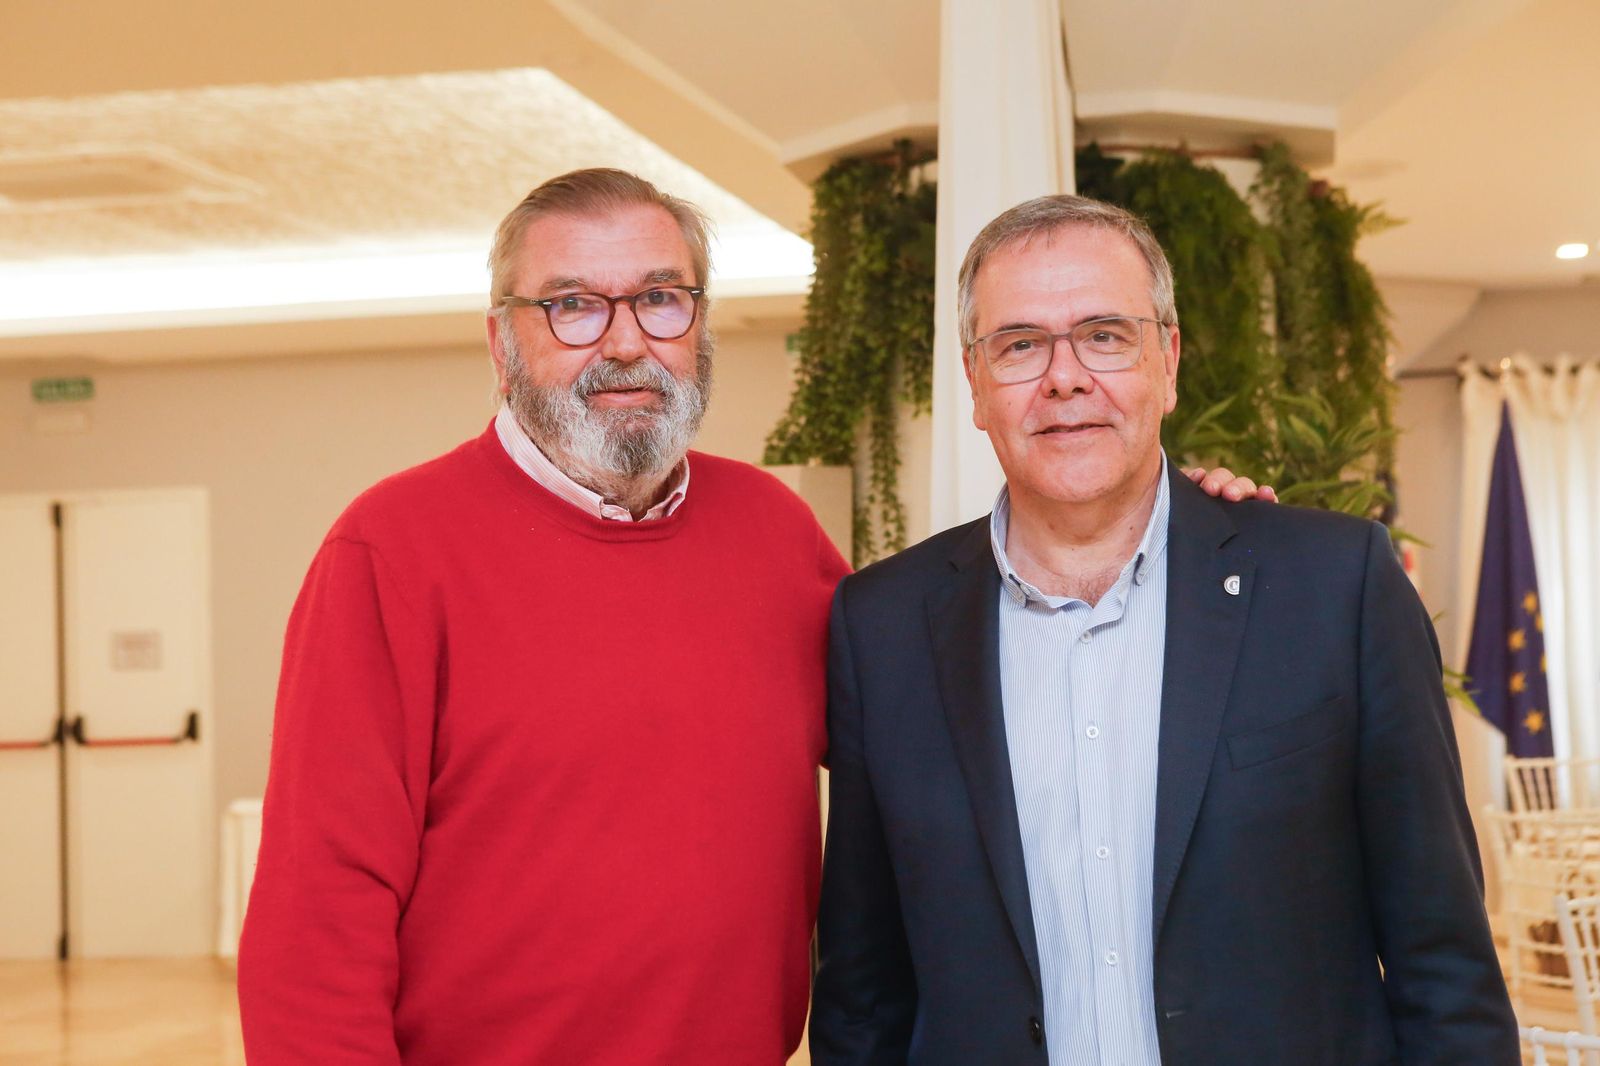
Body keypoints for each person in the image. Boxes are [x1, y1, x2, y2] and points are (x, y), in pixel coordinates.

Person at [236, 169, 1266, 1065]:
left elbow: (948, 702)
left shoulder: (770, 533)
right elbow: (314, 926)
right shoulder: (392, 552)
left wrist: (1158, 531)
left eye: (660, 299)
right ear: (503, 345)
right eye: (573, 308)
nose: (626, 342)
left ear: (698, 325)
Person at [809, 195, 1518, 1065]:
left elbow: (1442, 963)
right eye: (1021, 344)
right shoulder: (882, 627)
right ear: (976, 386)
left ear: (1169, 361)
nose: (1064, 377)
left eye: (1105, 335)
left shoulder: (1332, 587)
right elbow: (862, 994)